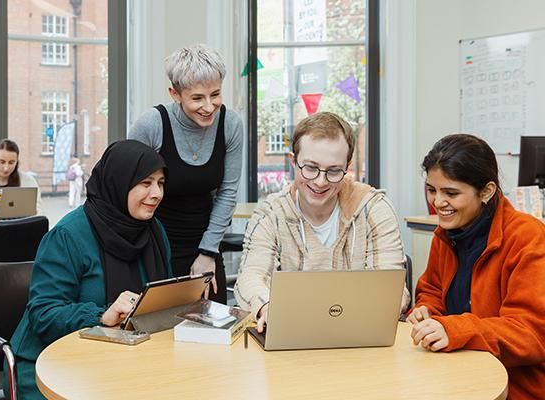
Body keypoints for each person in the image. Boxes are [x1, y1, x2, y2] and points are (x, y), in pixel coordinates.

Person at [4, 140, 172, 399]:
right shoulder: (67, 235)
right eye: (146, 183)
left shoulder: (154, 231)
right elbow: (44, 314)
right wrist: (102, 316)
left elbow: (160, 300)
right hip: (48, 367)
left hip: (124, 361)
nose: (157, 193)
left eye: (160, 183)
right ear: (119, 182)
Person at [234, 112, 410, 332]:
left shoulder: (374, 209)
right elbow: (250, 279)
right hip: (291, 338)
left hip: (359, 339)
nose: (320, 181)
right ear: (293, 162)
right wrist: (268, 307)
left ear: (347, 167)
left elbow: (392, 291)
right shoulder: (271, 213)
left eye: (334, 171)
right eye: (310, 167)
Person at [407, 134, 545, 400]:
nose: (437, 202)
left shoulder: (528, 238)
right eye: (431, 189)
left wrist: (455, 329)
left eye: (451, 192)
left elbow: (531, 334)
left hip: (514, 386)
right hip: (457, 373)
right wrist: (426, 312)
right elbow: (432, 291)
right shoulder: (446, 235)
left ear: (487, 191)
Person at [128, 43, 243, 304]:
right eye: (197, 98)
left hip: (206, 243)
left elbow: (228, 192)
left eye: (215, 94)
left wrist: (208, 252)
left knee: (212, 329)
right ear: (175, 93)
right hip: (152, 243)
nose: (209, 106)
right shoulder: (151, 125)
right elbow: (127, 189)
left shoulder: (231, 124)